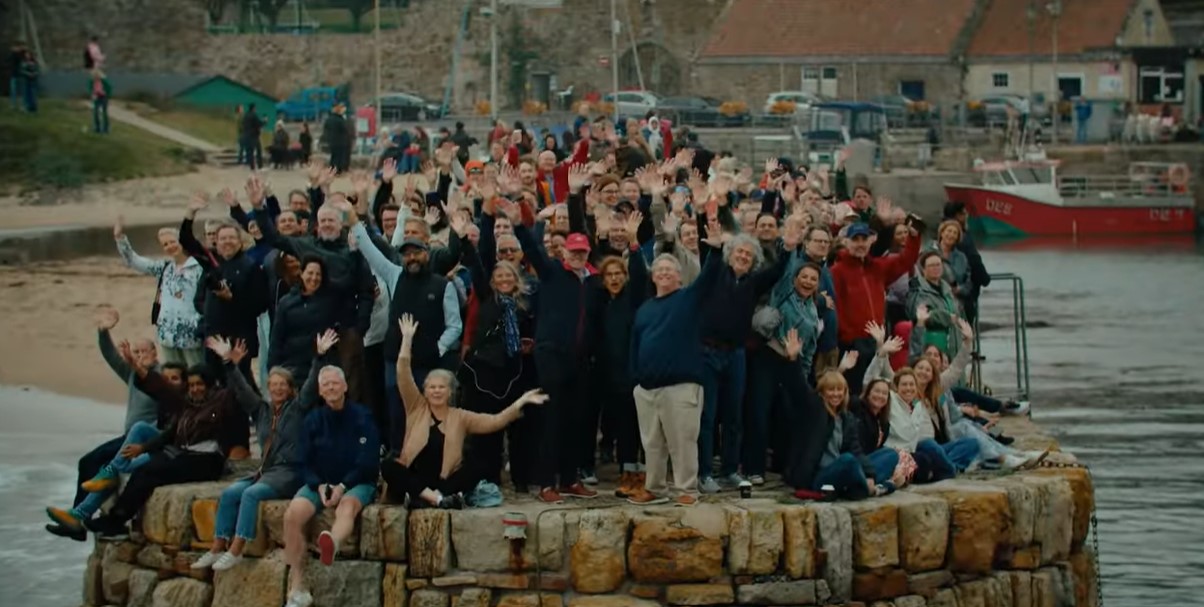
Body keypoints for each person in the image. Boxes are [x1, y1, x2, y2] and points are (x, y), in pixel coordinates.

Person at [381, 313, 546, 508]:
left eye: (441, 387)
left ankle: (433, 498)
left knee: (478, 466)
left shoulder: (460, 416)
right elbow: (403, 373)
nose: (436, 391)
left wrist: (520, 402)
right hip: (416, 479)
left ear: (450, 391)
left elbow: (496, 420)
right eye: (432, 387)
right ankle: (435, 499)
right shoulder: (416, 407)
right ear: (425, 391)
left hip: (444, 481)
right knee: (390, 466)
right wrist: (407, 339)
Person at [191, 333, 326, 571]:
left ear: (290, 389)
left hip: (290, 473)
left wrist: (319, 356)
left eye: (282, 385)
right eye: (273, 385)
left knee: (251, 494)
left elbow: (312, 386)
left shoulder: (298, 408)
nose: (277, 389)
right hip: (266, 471)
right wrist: (227, 362)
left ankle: (237, 549)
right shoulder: (261, 410)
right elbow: (242, 389)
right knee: (231, 492)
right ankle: (217, 546)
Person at [83, 352, 249, 537]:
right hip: (185, 456)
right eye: (192, 385)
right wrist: (142, 448)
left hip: (208, 462)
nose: (195, 389)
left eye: (200, 384)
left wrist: (232, 365)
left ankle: (114, 520)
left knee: (151, 470)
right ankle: (117, 519)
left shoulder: (222, 400)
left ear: (210, 384)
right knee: (145, 471)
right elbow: (167, 422)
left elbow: (240, 390)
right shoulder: (186, 405)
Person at [44, 308, 174, 541]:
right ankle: (77, 519)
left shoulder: (161, 376)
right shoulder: (134, 374)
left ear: (155, 352)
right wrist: (103, 332)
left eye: (145, 351)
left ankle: (77, 520)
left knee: (96, 462)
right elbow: (111, 356)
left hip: (147, 439)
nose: (140, 355)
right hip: (128, 436)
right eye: (136, 352)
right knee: (90, 462)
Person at [345, 199, 463, 451]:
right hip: (394, 360)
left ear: (426, 253)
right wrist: (354, 219)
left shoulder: (444, 286)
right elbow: (368, 249)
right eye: (407, 253)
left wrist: (438, 348)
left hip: (427, 363)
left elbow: (455, 326)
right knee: (396, 411)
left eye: (416, 252)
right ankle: (398, 460)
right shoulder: (394, 274)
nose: (411, 258)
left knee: (427, 413)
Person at [629, 247, 723, 506]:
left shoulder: (689, 298)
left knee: (682, 443)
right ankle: (655, 488)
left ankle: (687, 490)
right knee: (652, 444)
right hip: (647, 388)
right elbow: (635, 344)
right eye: (659, 270)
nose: (664, 273)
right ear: (653, 277)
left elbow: (709, 276)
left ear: (680, 277)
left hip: (682, 386)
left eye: (669, 270)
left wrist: (715, 249)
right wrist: (636, 380)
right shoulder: (644, 309)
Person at [281, 362, 379, 607]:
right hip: (320, 483)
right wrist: (318, 485)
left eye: (336, 383)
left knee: (346, 508)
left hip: (355, 482)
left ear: (345, 386)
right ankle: (297, 588)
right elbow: (303, 460)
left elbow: (367, 459)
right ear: (320, 391)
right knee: (293, 515)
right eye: (326, 385)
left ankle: (332, 543)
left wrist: (343, 486)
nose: (331, 388)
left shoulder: (362, 416)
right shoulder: (313, 420)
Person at [457, 214, 537, 489]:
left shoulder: (525, 304)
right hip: (487, 373)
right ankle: (487, 478)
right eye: (499, 275)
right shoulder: (486, 296)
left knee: (520, 429)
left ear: (516, 279)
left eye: (508, 275)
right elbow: (479, 262)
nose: (503, 278)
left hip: (518, 372)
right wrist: (473, 233)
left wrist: (530, 343)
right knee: (488, 429)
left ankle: (522, 480)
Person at [588, 214, 649, 498]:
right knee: (613, 425)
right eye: (609, 275)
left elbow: (638, 274)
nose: (613, 279)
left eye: (618, 275)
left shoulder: (633, 298)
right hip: (604, 374)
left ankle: (634, 475)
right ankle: (618, 472)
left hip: (631, 373)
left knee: (633, 428)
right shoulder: (600, 303)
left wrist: (634, 243)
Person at [179, 195, 269, 388]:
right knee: (212, 383)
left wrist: (232, 298)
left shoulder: (250, 266)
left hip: (239, 338)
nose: (227, 242)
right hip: (213, 335)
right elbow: (186, 241)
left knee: (239, 384)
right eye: (223, 239)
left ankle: (252, 416)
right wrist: (191, 214)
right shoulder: (212, 262)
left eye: (231, 238)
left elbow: (260, 304)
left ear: (240, 241)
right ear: (216, 242)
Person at [785, 351, 900, 500]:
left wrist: (870, 474)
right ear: (822, 392)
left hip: (845, 470)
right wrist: (794, 359)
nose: (835, 394)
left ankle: (861, 486)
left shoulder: (847, 418)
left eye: (839, 390)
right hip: (820, 476)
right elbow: (799, 389)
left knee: (890, 455)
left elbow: (856, 450)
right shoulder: (816, 410)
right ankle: (871, 488)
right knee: (847, 460)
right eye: (831, 390)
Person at [831, 221, 920, 393]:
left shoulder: (878, 267)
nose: (860, 244)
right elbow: (836, 307)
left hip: (876, 341)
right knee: (854, 391)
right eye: (855, 239)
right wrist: (847, 335)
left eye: (864, 239)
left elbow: (905, 261)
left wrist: (914, 237)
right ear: (847, 242)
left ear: (870, 241)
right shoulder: (837, 271)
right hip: (851, 344)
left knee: (876, 389)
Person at [114, 217, 205, 366]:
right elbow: (133, 261)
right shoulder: (165, 268)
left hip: (192, 336)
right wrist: (120, 238)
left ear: (181, 241)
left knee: (196, 380)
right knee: (172, 380)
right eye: (165, 244)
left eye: (172, 242)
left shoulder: (199, 267)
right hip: (167, 336)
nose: (169, 246)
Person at [269, 257, 341, 382]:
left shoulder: (330, 301)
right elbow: (276, 338)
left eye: (318, 274)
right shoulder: (286, 302)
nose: (314, 278)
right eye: (310, 273)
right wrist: (272, 369)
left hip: (321, 365)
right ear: (302, 273)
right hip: (292, 366)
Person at [907, 252, 963, 358]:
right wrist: (947, 318)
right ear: (923, 269)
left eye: (938, 264)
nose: (936, 268)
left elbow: (957, 312)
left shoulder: (947, 289)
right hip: (932, 345)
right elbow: (924, 315)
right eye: (932, 265)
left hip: (954, 343)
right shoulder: (918, 291)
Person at [323, 104, 352, 173]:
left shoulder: (329, 119)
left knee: (333, 156)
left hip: (331, 140)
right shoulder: (340, 120)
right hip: (340, 141)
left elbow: (325, 129)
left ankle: (332, 169)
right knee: (339, 157)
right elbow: (344, 129)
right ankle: (338, 170)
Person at [242, 104, 264, 170]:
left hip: (246, 135)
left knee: (250, 151)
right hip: (254, 136)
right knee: (258, 150)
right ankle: (260, 165)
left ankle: (252, 166)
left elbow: (244, 124)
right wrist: (264, 121)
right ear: (254, 108)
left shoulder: (246, 115)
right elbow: (259, 123)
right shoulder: (254, 115)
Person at [90, 68, 111, 134]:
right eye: (94, 75)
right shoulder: (91, 81)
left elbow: (109, 88)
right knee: (95, 112)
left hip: (103, 97)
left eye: (97, 75)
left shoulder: (104, 81)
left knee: (104, 113)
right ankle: (97, 128)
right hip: (96, 97)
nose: (95, 76)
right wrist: (93, 94)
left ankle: (106, 129)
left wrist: (106, 93)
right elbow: (90, 88)